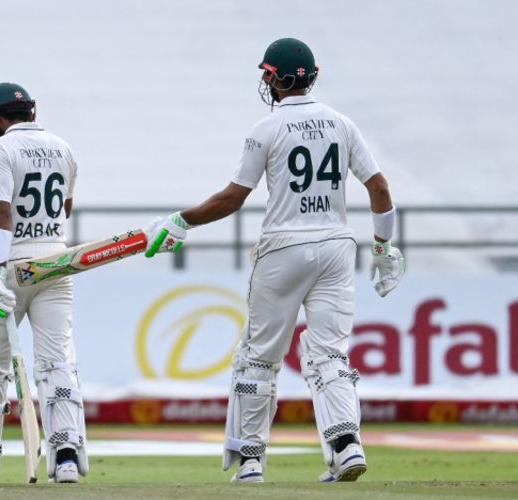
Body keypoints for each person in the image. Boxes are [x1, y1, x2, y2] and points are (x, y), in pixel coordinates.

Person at [143, 38, 405, 483]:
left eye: (267, 75)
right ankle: (346, 446)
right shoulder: (342, 123)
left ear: (275, 79)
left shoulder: (266, 129)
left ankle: (251, 460)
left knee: (259, 357)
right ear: (313, 76)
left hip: (283, 247)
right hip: (337, 246)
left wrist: (181, 221)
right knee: (329, 355)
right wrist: (382, 248)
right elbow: (379, 190)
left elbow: (232, 199)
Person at [0, 82, 88, 484]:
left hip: (13, 263)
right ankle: (65, 456)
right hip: (57, 261)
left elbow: (0, 211)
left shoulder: (0, 149)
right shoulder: (64, 148)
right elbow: (65, 207)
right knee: (57, 360)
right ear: (31, 111)